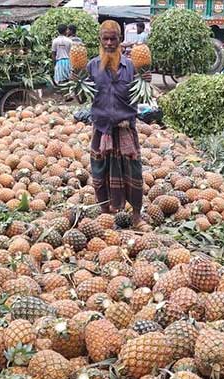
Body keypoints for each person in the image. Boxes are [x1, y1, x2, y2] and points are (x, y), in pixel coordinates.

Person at [86, 20, 151, 231]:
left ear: (120, 40)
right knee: (99, 173)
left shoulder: (131, 67)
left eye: (113, 38)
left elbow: (142, 96)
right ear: (100, 40)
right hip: (102, 128)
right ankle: (106, 215)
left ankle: (136, 216)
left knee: (133, 173)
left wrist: (146, 81)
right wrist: (75, 82)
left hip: (125, 128)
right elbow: (81, 97)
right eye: (105, 38)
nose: (109, 43)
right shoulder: (92, 67)